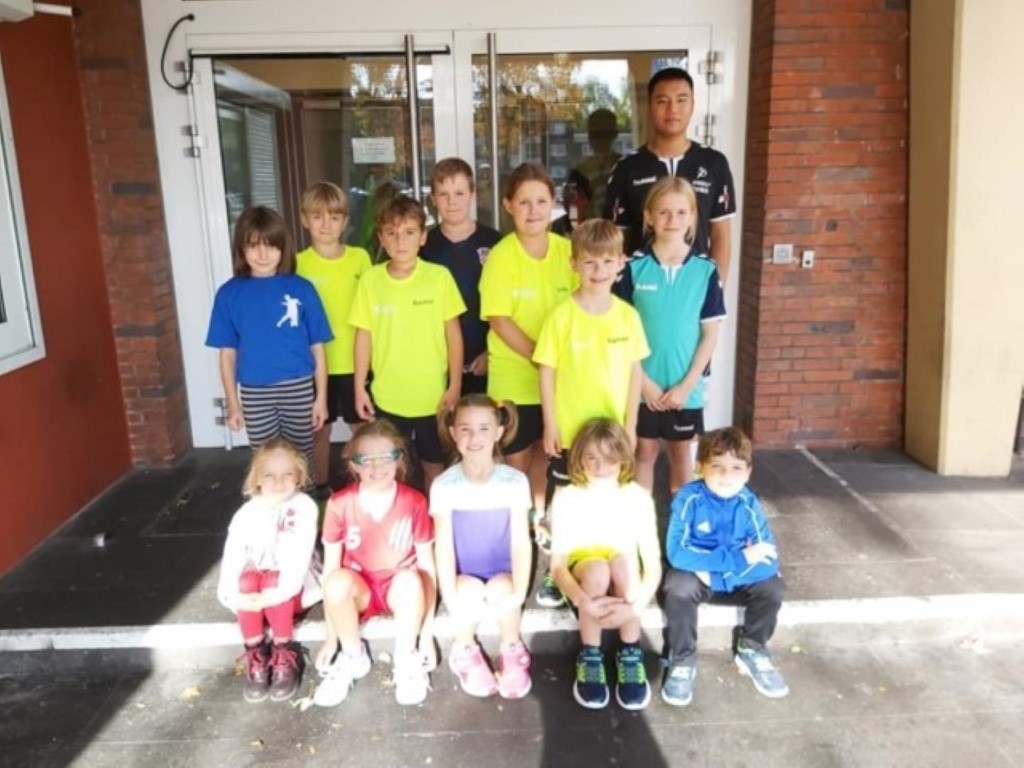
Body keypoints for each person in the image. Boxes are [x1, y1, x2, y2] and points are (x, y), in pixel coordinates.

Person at [533, 219, 649, 607]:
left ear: (620, 265)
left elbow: (635, 372)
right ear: (574, 265)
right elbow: (546, 371)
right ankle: (556, 570)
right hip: (570, 431)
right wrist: (551, 423)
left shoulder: (628, 317)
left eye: (607, 262)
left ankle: (615, 559)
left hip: (612, 435)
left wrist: (631, 425)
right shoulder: (561, 316)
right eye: (589, 262)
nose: (598, 271)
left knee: (607, 496)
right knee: (565, 499)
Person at [662, 426, 789, 707]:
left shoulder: (748, 502)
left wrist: (717, 575)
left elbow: (768, 558)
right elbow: (677, 553)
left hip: (719, 576)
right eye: (716, 466)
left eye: (736, 468)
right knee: (678, 586)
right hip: (698, 578)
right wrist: (740, 558)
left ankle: (752, 647)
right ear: (699, 468)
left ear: (748, 472)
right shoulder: (687, 499)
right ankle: (682, 659)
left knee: (772, 587)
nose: (726, 476)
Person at [314, 420, 437, 707]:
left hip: (399, 589)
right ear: (354, 465)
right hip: (361, 591)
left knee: (411, 579)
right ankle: (352, 655)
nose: (376, 466)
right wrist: (331, 637)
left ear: (399, 460)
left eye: (384, 457)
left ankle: (406, 658)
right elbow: (330, 571)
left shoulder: (414, 502)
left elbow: (427, 569)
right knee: (336, 581)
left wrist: (426, 635)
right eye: (366, 459)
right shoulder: (340, 503)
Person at [350, 195, 466, 490]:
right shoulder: (370, 281)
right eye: (391, 233)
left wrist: (454, 386)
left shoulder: (439, 277)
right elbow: (363, 336)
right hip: (388, 396)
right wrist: (359, 387)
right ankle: (397, 515)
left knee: (433, 464)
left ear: (423, 236)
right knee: (390, 465)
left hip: (433, 397)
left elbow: (454, 335)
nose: (400, 241)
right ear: (381, 238)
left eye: (409, 232)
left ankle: (433, 515)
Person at [479, 162, 575, 520]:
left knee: (543, 452)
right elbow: (499, 319)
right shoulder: (501, 256)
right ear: (508, 206)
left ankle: (536, 519)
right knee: (515, 459)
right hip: (514, 381)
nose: (533, 210)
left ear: (553, 204)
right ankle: (514, 526)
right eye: (523, 202)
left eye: (541, 201)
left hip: (558, 382)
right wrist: (541, 358)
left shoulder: (568, 252)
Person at [549, 418, 662, 711]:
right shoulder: (568, 498)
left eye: (610, 458)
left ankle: (630, 651)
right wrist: (582, 601)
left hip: (624, 577)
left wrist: (635, 608)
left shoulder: (638, 497)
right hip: (586, 576)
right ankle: (590, 653)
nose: (601, 467)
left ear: (623, 458)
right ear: (579, 458)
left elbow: (653, 566)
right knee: (598, 568)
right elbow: (557, 567)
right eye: (592, 458)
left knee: (623, 562)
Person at [205, 206, 332, 466]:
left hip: (298, 387)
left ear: (283, 247)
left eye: (271, 246)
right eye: (254, 246)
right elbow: (227, 355)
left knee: (300, 458)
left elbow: (317, 348)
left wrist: (320, 398)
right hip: (255, 392)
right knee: (264, 461)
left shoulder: (302, 289)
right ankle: (269, 496)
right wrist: (233, 403)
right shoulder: (229, 294)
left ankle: (305, 495)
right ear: (241, 249)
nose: (263, 255)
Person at [625, 177, 725, 494]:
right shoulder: (631, 268)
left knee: (682, 457)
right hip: (642, 385)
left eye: (681, 212)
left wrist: (686, 385)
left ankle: (682, 522)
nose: (673, 220)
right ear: (649, 216)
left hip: (686, 388)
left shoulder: (706, 270)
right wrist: (644, 383)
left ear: (692, 217)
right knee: (643, 453)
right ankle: (642, 523)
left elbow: (710, 334)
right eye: (664, 212)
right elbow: (621, 334)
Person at [431, 394, 533, 699]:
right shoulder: (444, 486)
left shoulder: (514, 482)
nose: (474, 438)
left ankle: (512, 647)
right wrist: (449, 593)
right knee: (467, 590)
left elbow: (520, 541)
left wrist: (519, 590)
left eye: (484, 429)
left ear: (498, 432)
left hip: (502, 571)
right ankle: (464, 649)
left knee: (503, 589)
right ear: (453, 433)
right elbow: (444, 546)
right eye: (465, 429)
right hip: (465, 575)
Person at [604, 67, 737, 284]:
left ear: (693, 104)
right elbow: (617, 240)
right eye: (662, 101)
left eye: (681, 100)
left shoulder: (714, 163)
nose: (672, 109)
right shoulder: (627, 168)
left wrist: (716, 289)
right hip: (641, 286)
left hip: (695, 286)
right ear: (650, 106)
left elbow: (720, 235)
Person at [216, 437, 322, 703]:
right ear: (257, 479)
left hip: (292, 591)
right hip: (256, 596)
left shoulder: (304, 507)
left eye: (287, 474)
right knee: (245, 580)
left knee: (274, 579)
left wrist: (273, 595)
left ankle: (284, 651)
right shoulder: (246, 513)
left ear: (299, 477)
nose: (279, 482)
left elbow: (297, 561)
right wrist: (233, 596)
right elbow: (232, 557)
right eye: (269, 475)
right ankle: (256, 655)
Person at [296, 181, 373, 496]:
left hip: (355, 361)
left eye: (334, 217)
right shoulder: (296, 263)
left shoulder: (360, 259)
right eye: (317, 216)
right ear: (305, 220)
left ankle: (368, 487)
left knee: (363, 430)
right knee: (318, 430)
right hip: (314, 365)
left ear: (345, 221)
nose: (326, 224)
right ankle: (320, 489)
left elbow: (371, 311)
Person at [422, 158, 502, 396]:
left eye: (459, 193)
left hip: (486, 363)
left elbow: (509, 307)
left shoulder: (495, 243)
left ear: (472, 194)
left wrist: (492, 353)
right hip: (436, 364)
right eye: (443, 194)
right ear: (433, 198)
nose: (452, 202)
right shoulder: (422, 247)